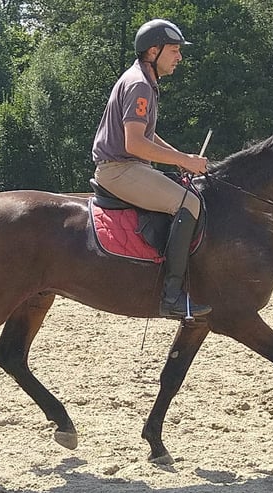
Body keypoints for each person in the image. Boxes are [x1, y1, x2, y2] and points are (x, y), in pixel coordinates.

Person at [92, 18, 212, 319]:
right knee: (190, 202)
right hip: (119, 169)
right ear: (153, 51)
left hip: (127, 166)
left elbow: (146, 134)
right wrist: (184, 161)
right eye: (174, 50)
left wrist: (179, 155)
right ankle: (172, 295)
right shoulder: (140, 85)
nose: (179, 57)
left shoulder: (142, 81)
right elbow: (135, 144)